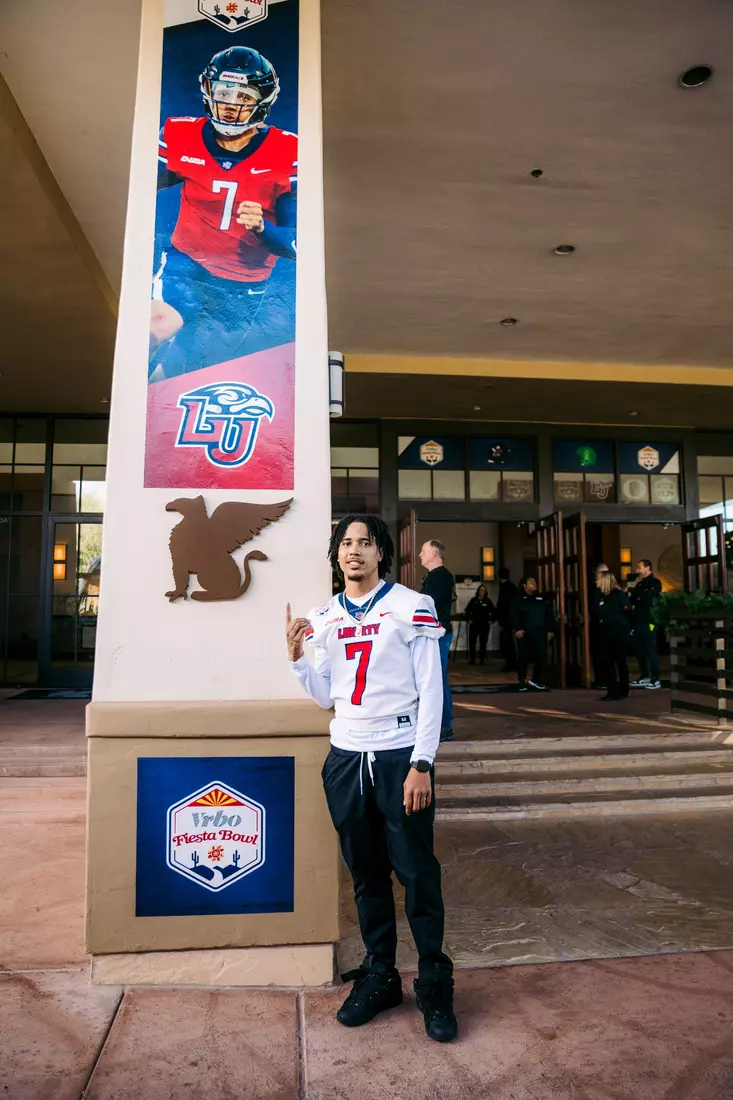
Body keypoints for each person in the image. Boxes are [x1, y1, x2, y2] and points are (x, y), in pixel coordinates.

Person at [287, 515, 456, 1043]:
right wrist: (296, 658)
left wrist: (421, 762)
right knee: (365, 872)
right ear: (336, 555)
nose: (354, 551)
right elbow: (324, 694)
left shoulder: (412, 605)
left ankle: (433, 982)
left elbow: (432, 689)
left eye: (364, 543)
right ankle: (381, 973)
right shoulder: (323, 615)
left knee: (417, 873)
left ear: (381, 552)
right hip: (346, 755)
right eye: (345, 543)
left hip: (398, 753)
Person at [151, 46, 298, 379]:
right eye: (224, 92)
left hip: (242, 284)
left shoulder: (288, 150)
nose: (232, 104)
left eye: (244, 95)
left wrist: (263, 228)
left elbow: (297, 245)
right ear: (209, 91)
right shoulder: (180, 133)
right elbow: (136, 194)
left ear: (262, 100)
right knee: (158, 325)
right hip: (184, 265)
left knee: (196, 367)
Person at [419, 539, 455, 741]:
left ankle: (444, 726)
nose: (420, 555)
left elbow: (432, 606)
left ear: (434, 553)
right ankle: (440, 725)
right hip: (435, 633)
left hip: (437, 634)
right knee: (435, 679)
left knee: (437, 680)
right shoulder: (436, 576)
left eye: (423, 551)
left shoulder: (440, 576)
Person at [594, 571, 632, 701]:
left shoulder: (619, 595)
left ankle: (623, 690)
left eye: (598, 579)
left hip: (619, 633)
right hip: (606, 634)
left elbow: (628, 611)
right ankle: (612, 691)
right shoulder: (601, 596)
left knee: (621, 662)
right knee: (608, 663)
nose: (596, 581)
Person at [511, 577, 554, 691]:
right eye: (531, 582)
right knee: (523, 658)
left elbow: (548, 614)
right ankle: (522, 681)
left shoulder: (541, 598)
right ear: (524, 585)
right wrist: (518, 628)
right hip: (525, 632)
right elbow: (513, 614)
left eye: (535, 582)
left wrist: (550, 630)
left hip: (540, 632)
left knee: (541, 657)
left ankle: (535, 680)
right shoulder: (518, 598)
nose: (534, 584)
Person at [629, 559, 663, 690]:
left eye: (639, 567)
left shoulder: (655, 582)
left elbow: (648, 597)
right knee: (639, 650)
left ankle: (656, 679)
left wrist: (634, 591)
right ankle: (644, 676)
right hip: (638, 621)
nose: (637, 571)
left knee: (650, 649)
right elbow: (633, 600)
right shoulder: (639, 585)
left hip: (649, 621)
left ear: (648, 568)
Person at [464, 583, 496, 665]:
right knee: (472, 642)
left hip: (484, 625)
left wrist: (491, 620)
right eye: (481, 590)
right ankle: (472, 659)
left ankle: (482, 659)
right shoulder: (473, 600)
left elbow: (494, 612)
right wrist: (468, 619)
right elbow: (467, 611)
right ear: (478, 591)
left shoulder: (488, 601)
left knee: (483, 642)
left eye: (484, 590)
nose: (482, 592)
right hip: (474, 624)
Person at [589, 563, 609, 689]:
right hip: (598, 626)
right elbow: (594, 608)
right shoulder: (594, 589)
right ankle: (600, 679)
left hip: (610, 626)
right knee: (599, 653)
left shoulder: (611, 589)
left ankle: (608, 679)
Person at [496, 567, 518, 672]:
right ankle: (512, 662)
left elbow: (502, 605)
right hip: (509, 619)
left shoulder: (505, 587)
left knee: (508, 642)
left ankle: (510, 663)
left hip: (506, 619)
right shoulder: (511, 587)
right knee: (509, 642)